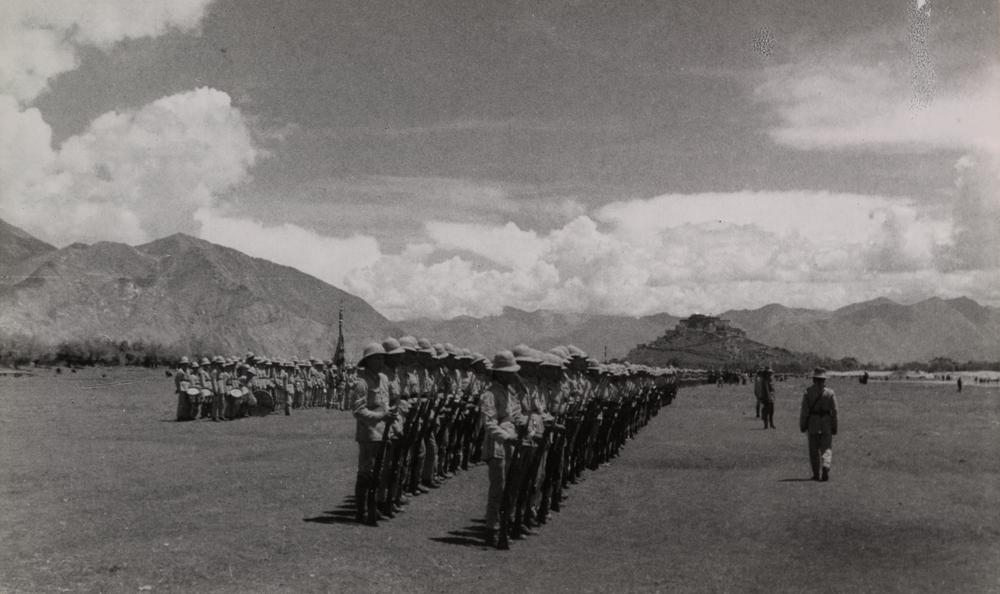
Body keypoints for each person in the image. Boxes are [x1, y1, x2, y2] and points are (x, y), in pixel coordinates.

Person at [480, 350, 526, 546]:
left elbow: (516, 414)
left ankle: (506, 524)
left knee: (511, 487)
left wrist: (523, 423)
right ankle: (493, 529)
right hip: (498, 444)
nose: (511, 375)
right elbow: (489, 423)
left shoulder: (510, 392)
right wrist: (506, 437)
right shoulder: (489, 395)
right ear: (498, 373)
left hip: (512, 442)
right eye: (507, 372)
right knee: (498, 488)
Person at [350, 342, 396, 524]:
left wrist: (389, 414)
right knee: (366, 474)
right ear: (367, 361)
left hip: (384, 432)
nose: (381, 360)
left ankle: (373, 507)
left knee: (380, 472)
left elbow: (385, 402)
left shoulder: (384, 379)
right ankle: (361, 511)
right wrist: (380, 416)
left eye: (382, 357)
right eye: (377, 357)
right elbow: (357, 410)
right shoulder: (362, 383)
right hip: (368, 434)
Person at [799, 367, 838, 481]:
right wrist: (834, 426)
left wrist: (803, 425)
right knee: (827, 448)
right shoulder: (830, 393)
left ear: (814, 379)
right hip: (826, 424)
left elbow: (804, 412)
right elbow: (835, 412)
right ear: (824, 380)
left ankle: (816, 474)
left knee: (813, 450)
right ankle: (826, 464)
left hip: (813, 424)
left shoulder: (808, 392)